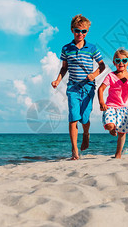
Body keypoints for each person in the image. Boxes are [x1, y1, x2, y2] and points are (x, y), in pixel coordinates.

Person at [51, 14, 106, 160]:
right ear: (72, 30)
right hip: (73, 88)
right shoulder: (66, 48)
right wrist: (57, 81)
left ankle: (86, 134)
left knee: (84, 118)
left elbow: (102, 66)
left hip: (88, 87)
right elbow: (64, 68)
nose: (80, 34)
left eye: (84, 31)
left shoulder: (92, 48)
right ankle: (74, 150)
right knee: (73, 118)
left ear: (87, 32)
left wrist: (94, 75)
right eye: (77, 30)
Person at [98, 48, 128, 159]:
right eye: (118, 61)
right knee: (110, 125)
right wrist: (101, 102)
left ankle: (118, 154)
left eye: (124, 61)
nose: (121, 63)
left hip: (125, 107)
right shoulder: (110, 76)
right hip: (111, 106)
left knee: (122, 132)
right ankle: (112, 129)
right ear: (114, 62)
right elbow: (100, 89)